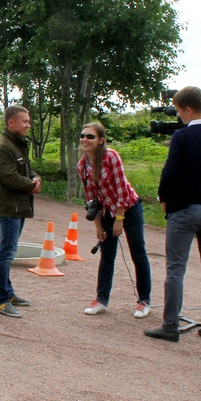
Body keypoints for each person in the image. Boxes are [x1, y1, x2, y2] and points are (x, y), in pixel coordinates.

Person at [145, 86, 201, 343]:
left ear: (188, 109)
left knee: (176, 269)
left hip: (184, 209)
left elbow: (169, 172)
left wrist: (164, 199)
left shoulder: (182, 137)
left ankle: (170, 325)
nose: (178, 116)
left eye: (178, 110)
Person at [77, 122, 153, 318]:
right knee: (107, 254)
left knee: (137, 251)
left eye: (90, 136)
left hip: (128, 207)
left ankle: (144, 300)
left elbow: (121, 190)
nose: (85, 139)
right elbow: (91, 199)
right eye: (82, 135)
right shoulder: (82, 165)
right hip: (106, 210)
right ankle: (101, 299)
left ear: (100, 140)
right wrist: (99, 225)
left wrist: (119, 219)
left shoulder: (111, 157)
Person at [0, 105, 41, 318]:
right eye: (25, 122)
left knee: (9, 252)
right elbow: (9, 177)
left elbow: (26, 170)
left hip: (18, 207)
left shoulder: (18, 145)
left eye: (29, 122)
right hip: (9, 208)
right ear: (11, 123)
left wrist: (36, 178)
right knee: (6, 253)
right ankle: (1, 300)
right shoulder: (2, 148)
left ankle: (8, 293)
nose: (28, 125)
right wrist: (32, 185)